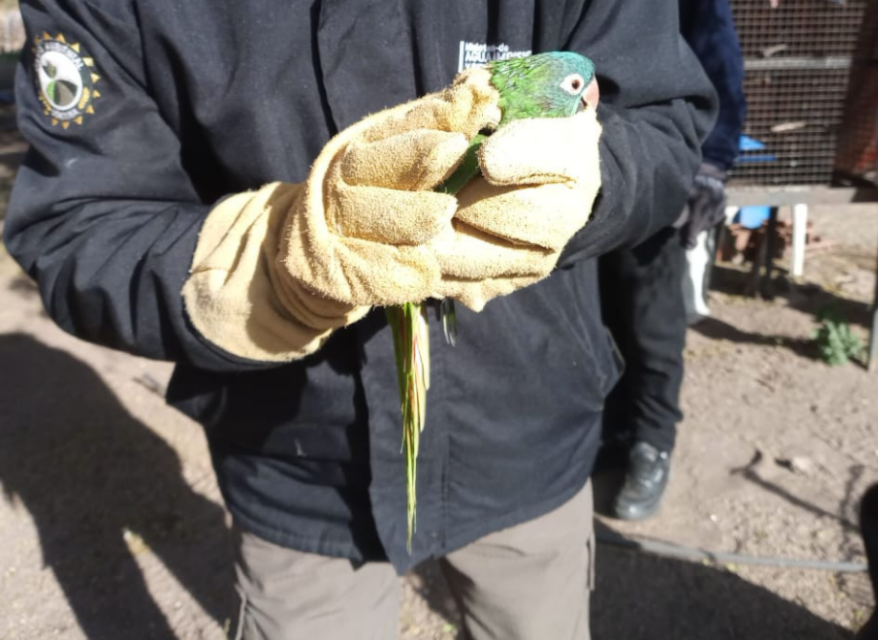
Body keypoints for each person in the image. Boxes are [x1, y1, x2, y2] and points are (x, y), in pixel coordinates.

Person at [4, 1, 715, 638]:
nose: (586, 95)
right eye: (573, 90)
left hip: (528, 432)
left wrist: (592, 183)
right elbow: (80, 224)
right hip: (297, 456)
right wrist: (274, 265)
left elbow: (660, 118)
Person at [599, 0, 746, 522]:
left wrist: (711, 164)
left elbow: (716, 51)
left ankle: (652, 445)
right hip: (583, 167)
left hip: (658, 164)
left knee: (651, 323)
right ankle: (612, 431)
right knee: (597, 314)